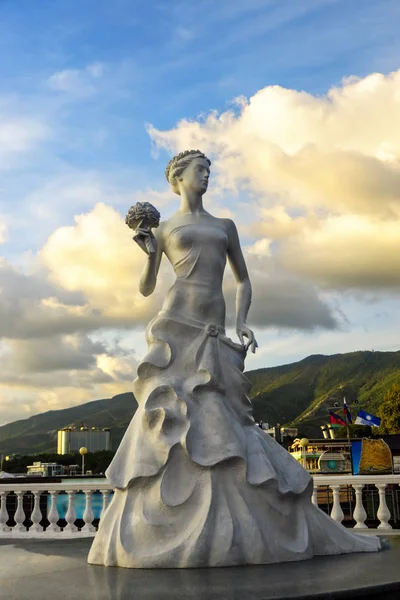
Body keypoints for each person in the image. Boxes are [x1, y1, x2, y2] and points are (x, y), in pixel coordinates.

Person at [88, 150, 381, 568]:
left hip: (212, 326)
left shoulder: (225, 225)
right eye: (199, 169)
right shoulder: (166, 227)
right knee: (174, 413)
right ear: (178, 177)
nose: (206, 175)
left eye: (209, 169)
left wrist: (242, 321)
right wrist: (149, 249)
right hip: (175, 320)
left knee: (219, 413)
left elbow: (242, 279)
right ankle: (169, 519)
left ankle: (228, 519)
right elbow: (147, 288)